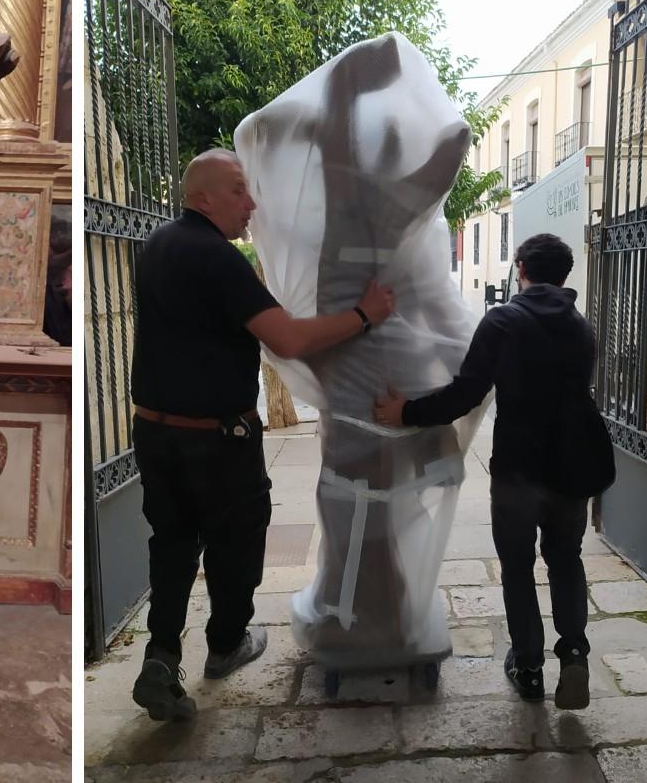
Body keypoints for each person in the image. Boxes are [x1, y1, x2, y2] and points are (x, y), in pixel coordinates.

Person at [129, 148, 395, 721]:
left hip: (153, 431)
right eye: (238, 191)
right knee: (238, 541)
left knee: (171, 544)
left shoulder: (155, 247)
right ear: (202, 197)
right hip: (217, 440)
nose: (251, 204)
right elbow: (289, 339)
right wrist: (365, 315)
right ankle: (226, 645)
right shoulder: (217, 258)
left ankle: (160, 655)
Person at [374, 233, 595, 710]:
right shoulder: (581, 326)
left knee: (518, 567)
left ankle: (529, 667)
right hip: (572, 470)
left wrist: (406, 412)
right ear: (564, 274)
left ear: (521, 269)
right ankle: (575, 653)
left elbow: (466, 392)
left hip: (519, 470)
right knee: (566, 559)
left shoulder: (504, 321)